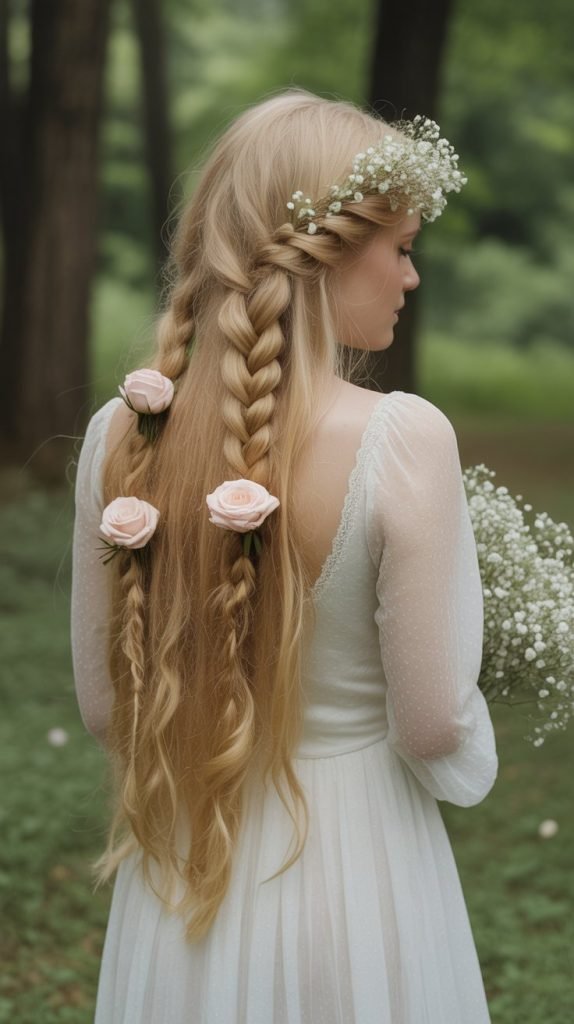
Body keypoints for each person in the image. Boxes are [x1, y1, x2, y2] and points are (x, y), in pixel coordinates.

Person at [71, 87, 498, 1023]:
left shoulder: (122, 436)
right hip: (359, 871)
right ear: (332, 251)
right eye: (403, 248)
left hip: (188, 873)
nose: (410, 278)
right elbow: (430, 726)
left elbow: (109, 709)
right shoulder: (404, 438)